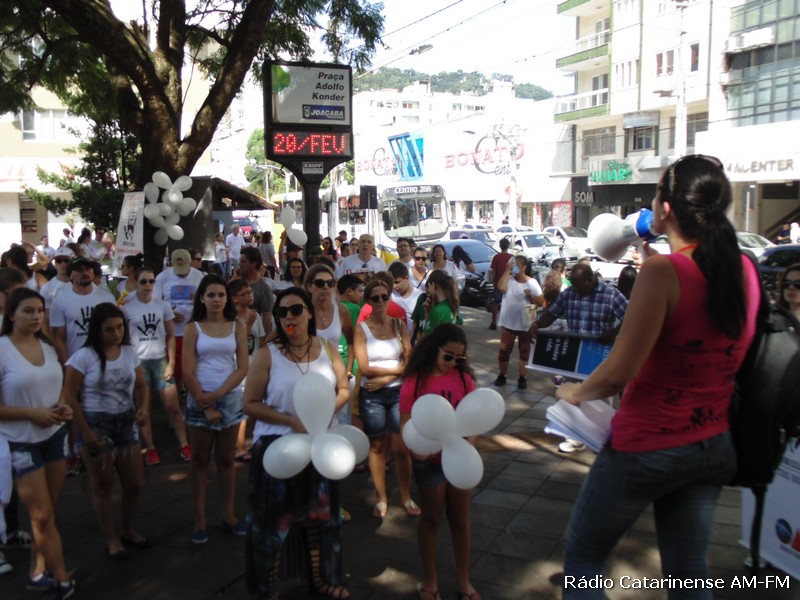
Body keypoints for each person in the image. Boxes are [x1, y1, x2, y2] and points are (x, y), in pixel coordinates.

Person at [554, 155, 760, 598]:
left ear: (665, 210)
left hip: (649, 445)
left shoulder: (664, 272)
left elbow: (617, 374)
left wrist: (575, 392)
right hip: (713, 442)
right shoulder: (743, 268)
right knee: (688, 573)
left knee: (583, 562)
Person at [243, 287, 351, 600]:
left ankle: (319, 579)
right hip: (278, 448)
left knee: (316, 518)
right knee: (274, 523)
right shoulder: (268, 354)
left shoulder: (327, 348)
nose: (289, 317)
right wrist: (290, 421)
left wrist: (325, 413)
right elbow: (250, 403)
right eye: (282, 312)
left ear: (309, 313)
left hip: (319, 446)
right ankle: (268, 590)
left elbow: (343, 388)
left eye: (296, 310)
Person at [0, 288, 75, 597]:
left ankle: (37, 570)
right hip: (21, 443)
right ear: (11, 315)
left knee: (46, 514)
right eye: (28, 311)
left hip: (54, 436)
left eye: (40, 311)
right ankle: (62, 580)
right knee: (41, 515)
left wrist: (63, 405)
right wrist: (33, 413)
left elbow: (59, 385)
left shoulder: (47, 345)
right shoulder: (2, 350)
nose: (36, 316)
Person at [61, 302, 150, 560]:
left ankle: (128, 529)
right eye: (109, 329)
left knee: (135, 484)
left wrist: (143, 407)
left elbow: (142, 385)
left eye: (120, 327)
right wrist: (85, 431)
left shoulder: (128, 352)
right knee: (103, 484)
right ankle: (111, 537)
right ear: (97, 330)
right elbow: (69, 394)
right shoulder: (83, 357)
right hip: (96, 423)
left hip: (126, 421)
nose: (116, 333)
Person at [399, 324, 480, 600]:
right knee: (431, 519)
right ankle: (430, 581)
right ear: (434, 349)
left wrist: (469, 445)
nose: (453, 363)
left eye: (459, 358)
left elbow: (474, 418)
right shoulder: (416, 380)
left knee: (460, 519)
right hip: (429, 462)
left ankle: (464, 581)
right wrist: (415, 450)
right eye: (448, 356)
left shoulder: (464, 379)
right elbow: (405, 422)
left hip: (459, 459)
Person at [181, 274, 248, 544]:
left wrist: (218, 395)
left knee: (226, 459)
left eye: (221, 295)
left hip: (229, 397)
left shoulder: (237, 325)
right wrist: (204, 401)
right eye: (211, 295)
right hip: (199, 397)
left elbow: (242, 367)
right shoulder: (193, 328)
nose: (217, 300)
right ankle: (199, 520)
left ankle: (228, 514)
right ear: (202, 298)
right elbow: (186, 370)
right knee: (199, 460)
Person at [353, 279, 417, 520]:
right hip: (372, 395)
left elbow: (409, 360)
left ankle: (405, 496)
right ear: (368, 301)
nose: (381, 301)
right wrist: (394, 372)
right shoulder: (362, 329)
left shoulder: (399, 325)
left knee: (401, 447)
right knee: (377, 446)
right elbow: (365, 367)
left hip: (398, 392)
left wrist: (389, 377)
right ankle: (382, 498)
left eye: (384, 297)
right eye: (375, 298)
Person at [123, 267, 191, 464]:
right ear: (136, 283)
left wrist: (171, 362)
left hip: (160, 361)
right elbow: (124, 340)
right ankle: (151, 447)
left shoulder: (163, 306)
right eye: (143, 281)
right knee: (144, 409)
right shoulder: (127, 309)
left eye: (151, 281)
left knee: (174, 407)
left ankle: (184, 444)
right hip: (139, 363)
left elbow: (171, 336)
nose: (147, 285)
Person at [153, 248, 204, 391]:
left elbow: (205, 299)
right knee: (173, 366)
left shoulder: (198, 276)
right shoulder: (162, 277)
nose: (182, 273)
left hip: (192, 330)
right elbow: (155, 303)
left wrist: (198, 302)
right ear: (171, 263)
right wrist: (169, 313)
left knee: (192, 365)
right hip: (171, 332)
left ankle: (190, 389)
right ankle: (177, 390)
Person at [493, 252, 544, 389]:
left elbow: (541, 302)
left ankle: (522, 377)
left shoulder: (532, 283)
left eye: (516, 266)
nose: (514, 268)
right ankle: (502, 375)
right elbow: (500, 287)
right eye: (512, 265)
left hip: (525, 323)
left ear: (524, 267)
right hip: (508, 323)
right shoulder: (509, 280)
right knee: (504, 351)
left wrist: (531, 296)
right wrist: (507, 270)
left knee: (524, 351)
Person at [417, 270, 460, 339]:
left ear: (433, 285)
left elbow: (425, 338)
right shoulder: (452, 306)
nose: (428, 290)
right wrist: (427, 313)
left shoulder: (437, 311)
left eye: (429, 286)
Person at [388, 262, 423, 334]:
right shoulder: (389, 294)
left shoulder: (419, 296)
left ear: (406, 278)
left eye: (397, 282)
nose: (394, 286)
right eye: (392, 283)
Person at [488, 238, 512, 330]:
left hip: (498, 284)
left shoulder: (496, 257)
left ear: (500, 246)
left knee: (496, 303)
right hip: (509, 284)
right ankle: (507, 324)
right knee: (508, 304)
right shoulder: (512, 257)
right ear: (508, 246)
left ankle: (494, 322)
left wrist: (494, 279)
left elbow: (493, 271)